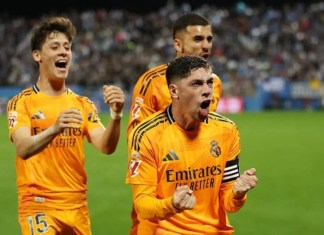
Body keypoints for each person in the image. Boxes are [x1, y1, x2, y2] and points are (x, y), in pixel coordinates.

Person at [6, 16, 125, 235]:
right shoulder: (22, 102)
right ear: (37, 55)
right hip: (38, 205)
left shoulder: (82, 104)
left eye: (67, 47)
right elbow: (23, 148)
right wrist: (54, 129)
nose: (63, 52)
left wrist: (116, 116)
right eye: (55, 47)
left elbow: (106, 146)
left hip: (76, 206)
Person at [126, 55, 258, 235]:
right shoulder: (147, 135)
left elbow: (229, 204)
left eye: (209, 83)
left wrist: (237, 193)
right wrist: (171, 204)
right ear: (174, 91)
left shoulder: (227, 130)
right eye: (196, 84)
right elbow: (142, 204)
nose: (207, 91)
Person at [127, 12, 222, 234]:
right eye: (198, 39)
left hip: (199, 185)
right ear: (178, 44)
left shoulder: (214, 83)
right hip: (161, 190)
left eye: (209, 39)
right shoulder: (152, 81)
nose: (206, 45)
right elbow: (136, 138)